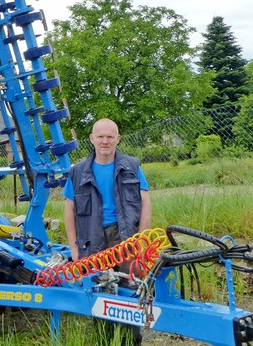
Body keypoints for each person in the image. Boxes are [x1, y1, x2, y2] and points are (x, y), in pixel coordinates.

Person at [62, 118, 151, 345]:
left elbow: (145, 203)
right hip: (92, 240)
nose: (105, 141)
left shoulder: (132, 166)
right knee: (100, 292)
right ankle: (105, 340)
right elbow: (69, 210)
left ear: (118, 139)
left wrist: (140, 241)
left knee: (130, 291)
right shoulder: (77, 172)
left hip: (125, 239)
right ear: (91, 139)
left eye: (110, 136)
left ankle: (131, 341)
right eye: (100, 136)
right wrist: (74, 248)